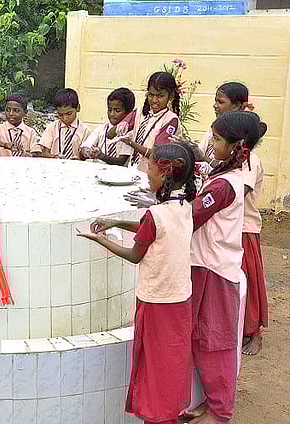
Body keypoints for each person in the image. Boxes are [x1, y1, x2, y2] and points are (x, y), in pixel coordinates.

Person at [79, 142, 197, 424]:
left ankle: (157, 416)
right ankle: (169, 411)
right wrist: (117, 222)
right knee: (172, 359)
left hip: (156, 302)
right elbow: (151, 231)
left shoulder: (156, 214)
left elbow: (135, 254)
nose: (147, 177)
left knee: (153, 363)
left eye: (149, 170)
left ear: (164, 174)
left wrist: (100, 240)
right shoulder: (183, 205)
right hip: (180, 298)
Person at [189, 111, 267, 424]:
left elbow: (192, 216)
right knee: (202, 337)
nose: (212, 144)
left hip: (214, 270)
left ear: (237, 146)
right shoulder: (225, 174)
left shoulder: (224, 186)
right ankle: (210, 403)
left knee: (215, 343)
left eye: (218, 140)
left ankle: (220, 412)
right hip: (208, 264)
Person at [108, 71, 182, 172]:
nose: (154, 100)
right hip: (134, 169)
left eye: (160, 96)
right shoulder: (140, 112)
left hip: (154, 174)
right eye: (151, 95)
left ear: (170, 96)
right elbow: (109, 135)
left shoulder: (170, 120)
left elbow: (157, 154)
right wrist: (120, 127)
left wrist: (131, 143)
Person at [240, 142, 268, 355]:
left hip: (245, 227)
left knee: (249, 280)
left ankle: (254, 332)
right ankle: (242, 328)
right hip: (230, 227)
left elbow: (238, 193)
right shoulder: (234, 159)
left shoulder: (251, 161)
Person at [195, 82, 254, 175]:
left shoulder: (242, 136)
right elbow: (201, 151)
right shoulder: (215, 127)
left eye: (220, 102)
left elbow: (232, 168)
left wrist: (204, 158)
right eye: (215, 101)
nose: (215, 105)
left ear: (236, 106)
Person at [81, 87, 135, 166]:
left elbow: (121, 161)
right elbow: (84, 148)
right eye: (109, 110)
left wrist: (101, 156)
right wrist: (87, 151)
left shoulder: (130, 133)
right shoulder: (101, 129)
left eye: (117, 111)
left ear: (129, 113)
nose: (112, 114)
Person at [37, 88, 90, 159]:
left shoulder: (85, 131)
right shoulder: (52, 128)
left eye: (69, 113)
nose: (65, 118)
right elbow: (44, 152)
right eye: (60, 115)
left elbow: (85, 155)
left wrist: (79, 158)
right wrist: (54, 157)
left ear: (78, 108)